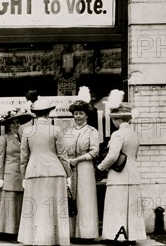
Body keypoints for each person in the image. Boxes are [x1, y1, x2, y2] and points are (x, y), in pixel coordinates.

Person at [18, 98, 71, 246]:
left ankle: (36, 239)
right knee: (55, 207)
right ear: (48, 114)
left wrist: (23, 175)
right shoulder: (56, 130)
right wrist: (68, 174)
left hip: (34, 173)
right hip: (55, 172)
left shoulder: (27, 131)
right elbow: (62, 154)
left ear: (34, 114)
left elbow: (24, 157)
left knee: (36, 207)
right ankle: (56, 239)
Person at [97, 95, 146, 244]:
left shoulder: (117, 134)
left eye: (113, 119)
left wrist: (100, 167)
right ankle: (131, 237)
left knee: (116, 206)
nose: (112, 122)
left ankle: (116, 237)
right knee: (131, 207)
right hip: (132, 173)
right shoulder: (134, 134)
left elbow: (112, 156)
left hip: (119, 175)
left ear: (118, 120)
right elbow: (134, 155)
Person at [0, 107, 33, 239]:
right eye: (13, 123)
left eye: (17, 123)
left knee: (19, 204)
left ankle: (18, 232)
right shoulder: (3, 139)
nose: (16, 125)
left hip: (22, 175)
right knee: (9, 205)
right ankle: (8, 233)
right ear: (8, 125)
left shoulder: (24, 137)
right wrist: (0, 178)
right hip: (9, 176)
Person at [66, 95, 100, 241]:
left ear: (86, 115)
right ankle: (71, 233)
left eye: (81, 113)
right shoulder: (68, 132)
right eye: (76, 113)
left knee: (85, 199)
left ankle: (86, 234)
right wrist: (67, 161)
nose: (78, 116)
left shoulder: (92, 131)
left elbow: (94, 151)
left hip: (85, 168)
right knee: (70, 198)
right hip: (70, 169)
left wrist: (77, 160)